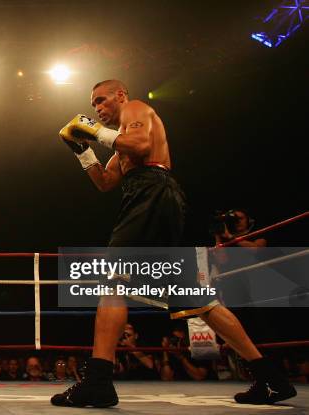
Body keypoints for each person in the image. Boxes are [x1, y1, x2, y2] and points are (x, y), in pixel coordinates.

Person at [51, 79, 296, 407]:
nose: (97, 109)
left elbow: (137, 146)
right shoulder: (120, 140)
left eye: (101, 100)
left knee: (112, 282)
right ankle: (270, 378)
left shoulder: (136, 108)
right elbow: (106, 182)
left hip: (151, 194)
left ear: (120, 95)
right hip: (152, 197)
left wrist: (93, 130)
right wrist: (82, 149)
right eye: (93, 105)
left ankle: (98, 380)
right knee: (198, 301)